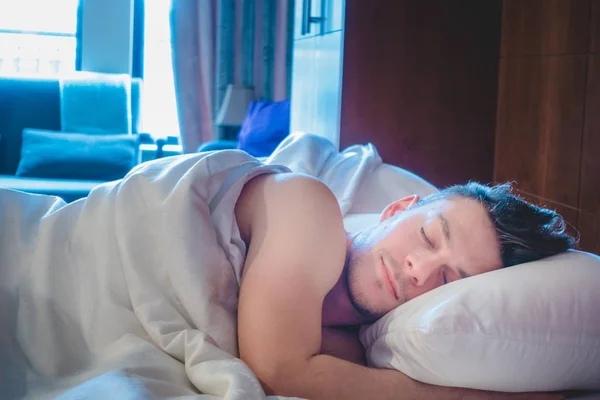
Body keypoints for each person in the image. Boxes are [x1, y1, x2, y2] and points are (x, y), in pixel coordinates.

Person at [234, 172, 576, 400]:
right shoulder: (307, 205)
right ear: (397, 210)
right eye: (427, 237)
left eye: (448, 280)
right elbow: (277, 372)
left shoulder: (355, 354)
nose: (420, 270)